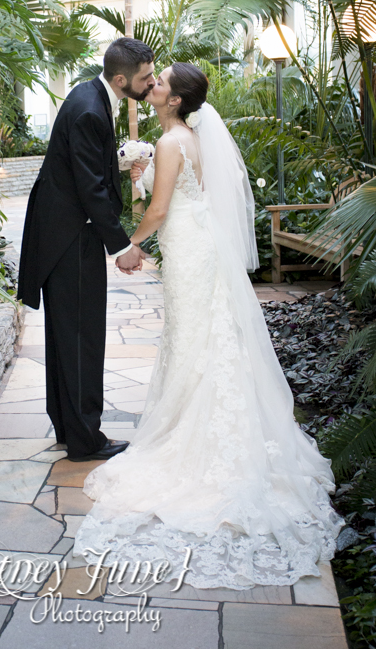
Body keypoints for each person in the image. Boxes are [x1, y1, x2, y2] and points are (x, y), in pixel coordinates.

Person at [73, 62, 343, 588]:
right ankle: (196, 419)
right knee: (197, 337)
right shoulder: (184, 136)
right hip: (196, 244)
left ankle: (195, 440)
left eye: (162, 82)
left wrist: (131, 245)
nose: (154, 85)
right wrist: (138, 175)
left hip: (188, 246)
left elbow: (159, 208)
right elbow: (161, 194)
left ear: (173, 100)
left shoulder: (172, 143)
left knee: (195, 337)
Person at [17, 38, 154, 462]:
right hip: (70, 236)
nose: (150, 83)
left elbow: (87, 166)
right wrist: (122, 246)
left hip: (62, 232)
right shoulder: (92, 109)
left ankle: (67, 423)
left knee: (67, 336)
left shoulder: (89, 95)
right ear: (120, 79)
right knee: (82, 338)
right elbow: (89, 188)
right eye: (145, 77)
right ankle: (85, 439)